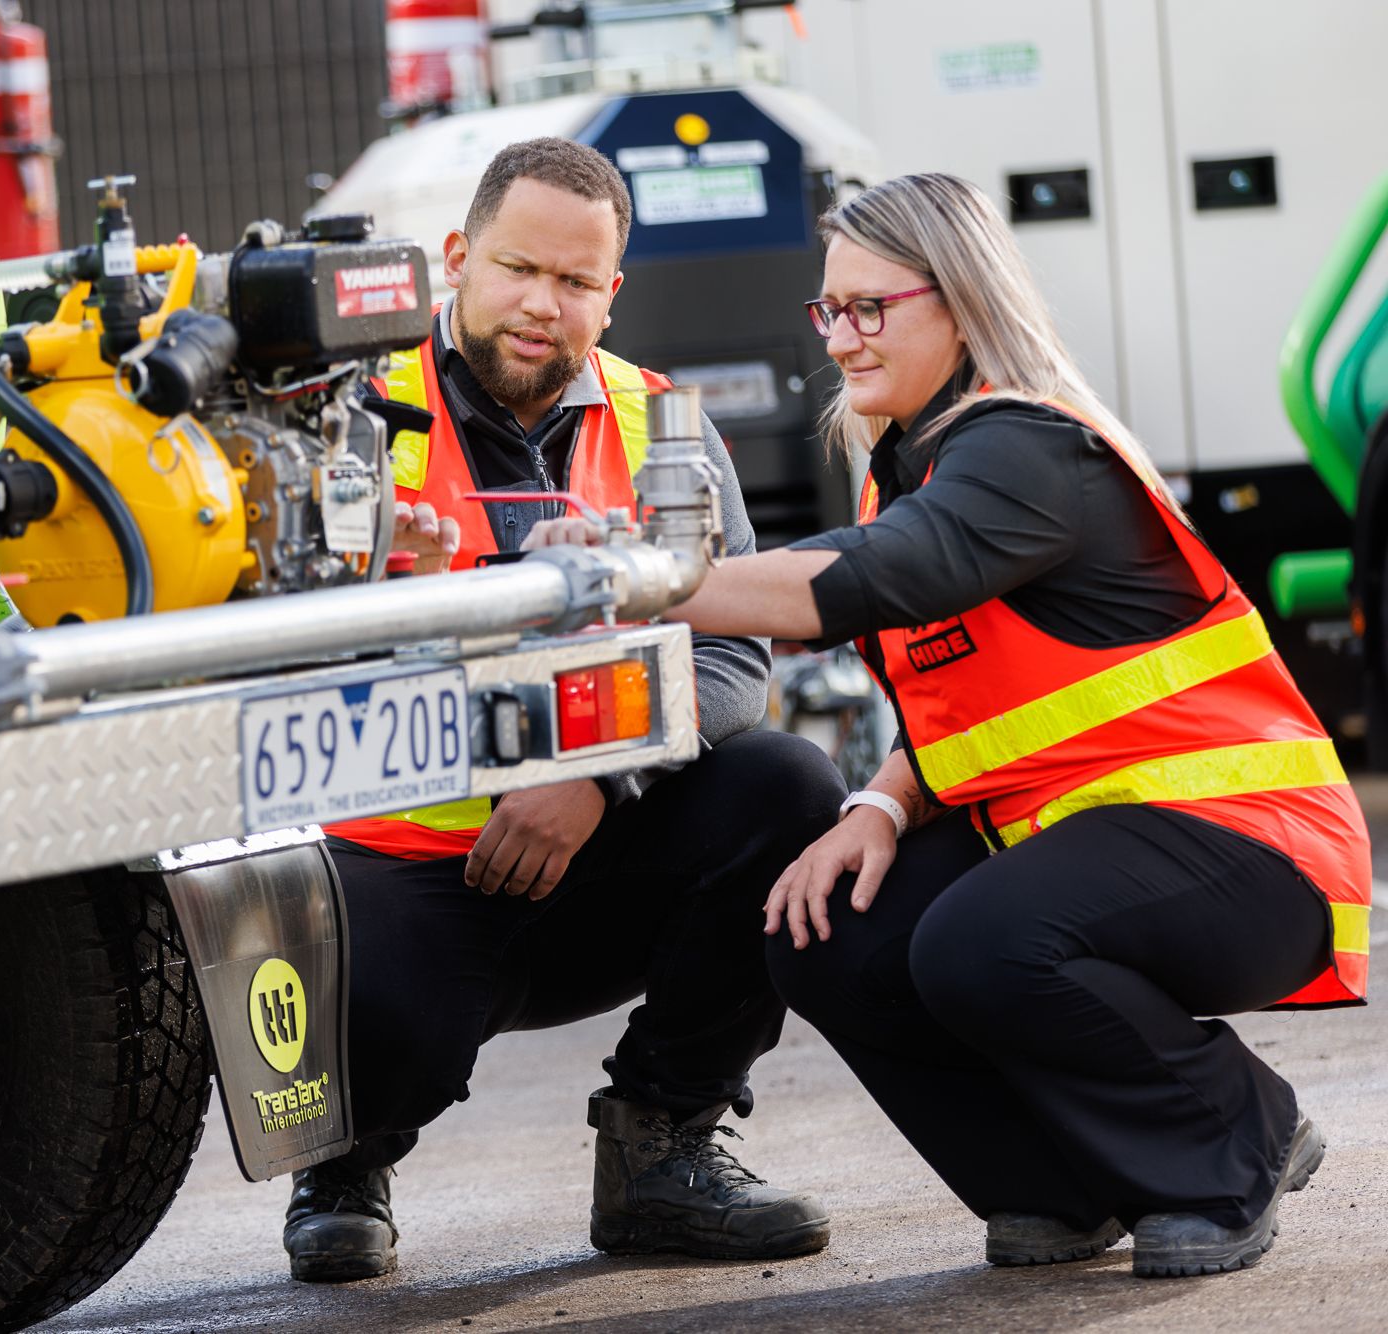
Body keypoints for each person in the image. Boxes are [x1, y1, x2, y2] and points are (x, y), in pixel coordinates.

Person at [526, 172, 1372, 1279]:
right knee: (818, 927)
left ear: (962, 301)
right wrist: (878, 802)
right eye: (828, 310)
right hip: (1087, 843)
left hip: (1250, 846)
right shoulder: (909, 471)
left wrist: (640, 579)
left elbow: (873, 577)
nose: (841, 339)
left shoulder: (1029, 450)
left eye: (870, 307)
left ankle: (1230, 1138)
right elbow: (968, 707)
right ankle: (1059, 1187)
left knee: (977, 940)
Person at [279, 138, 849, 1283]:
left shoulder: (660, 424)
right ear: (456, 259)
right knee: (385, 1015)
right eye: (516, 269)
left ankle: (660, 1149)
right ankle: (344, 1157)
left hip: (590, 843)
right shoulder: (336, 414)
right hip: (397, 863)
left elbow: (734, 652)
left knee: (788, 789)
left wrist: (598, 779)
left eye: (575, 282)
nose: (542, 305)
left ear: (610, 291)